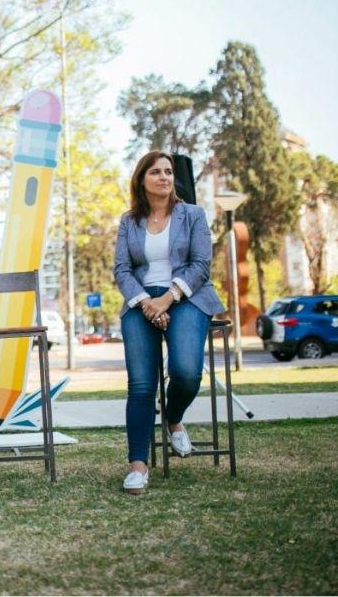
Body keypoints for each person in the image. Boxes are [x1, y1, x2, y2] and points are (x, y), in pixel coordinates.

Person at [113, 151, 225, 495]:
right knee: (142, 385)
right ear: (142, 180)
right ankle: (137, 466)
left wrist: (168, 298)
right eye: (156, 172)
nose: (164, 177)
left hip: (188, 297)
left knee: (187, 371)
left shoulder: (192, 215)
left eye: (168, 172)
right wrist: (146, 301)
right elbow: (122, 270)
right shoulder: (129, 221)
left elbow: (201, 264)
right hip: (141, 302)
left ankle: (173, 417)